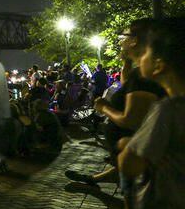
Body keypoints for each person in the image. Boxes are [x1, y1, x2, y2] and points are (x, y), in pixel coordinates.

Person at [118, 17, 185, 209]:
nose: (140, 56)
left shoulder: (168, 110)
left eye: (144, 53)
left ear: (158, 64)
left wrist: (124, 146)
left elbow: (130, 163)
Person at [65, 19, 166, 186]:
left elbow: (131, 120)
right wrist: (125, 61)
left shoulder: (143, 76)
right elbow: (128, 86)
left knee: (132, 208)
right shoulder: (137, 75)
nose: (120, 41)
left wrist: (104, 107)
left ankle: (96, 179)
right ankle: (94, 179)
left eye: (123, 36)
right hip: (132, 153)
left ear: (135, 41)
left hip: (137, 155)